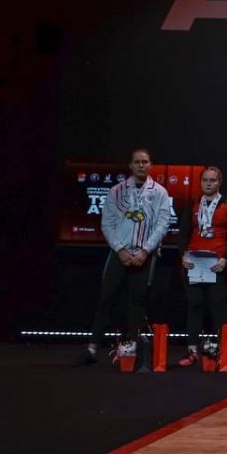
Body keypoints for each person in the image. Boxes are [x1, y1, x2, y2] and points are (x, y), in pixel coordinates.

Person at [81, 148, 172, 364]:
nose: (141, 165)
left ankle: (131, 349)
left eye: (145, 162)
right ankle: (92, 349)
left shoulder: (160, 192)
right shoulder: (116, 191)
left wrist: (145, 251)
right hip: (119, 254)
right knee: (106, 299)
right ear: (130, 165)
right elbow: (107, 223)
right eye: (137, 162)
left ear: (150, 165)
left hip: (144, 255)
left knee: (137, 303)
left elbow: (163, 224)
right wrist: (120, 249)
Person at [177, 166, 227, 367]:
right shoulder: (193, 203)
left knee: (218, 306)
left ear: (220, 182)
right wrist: (183, 255)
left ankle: (223, 353)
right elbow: (183, 233)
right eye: (205, 180)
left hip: (217, 263)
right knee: (194, 305)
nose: (208, 184)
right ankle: (192, 352)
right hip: (194, 262)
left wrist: (225, 259)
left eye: (212, 180)